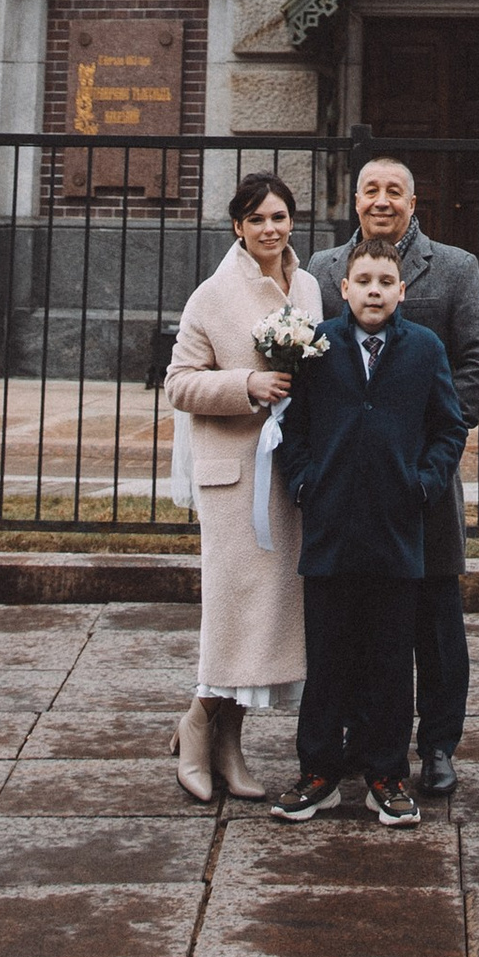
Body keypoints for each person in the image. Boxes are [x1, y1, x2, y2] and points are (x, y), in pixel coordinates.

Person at [309, 153, 479, 798]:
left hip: (421, 484)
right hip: (351, 491)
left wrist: (427, 456)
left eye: (395, 191)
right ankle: (368, 740)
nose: (382, 200)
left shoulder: (455, 268)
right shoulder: (325, 269)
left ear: (413, 204)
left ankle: (440, 744)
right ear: (354, 200)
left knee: (436, 621)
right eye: (371, 190)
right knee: (364, 622)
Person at [272, 242, 465, 826]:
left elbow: (447, 427)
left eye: (386, 280)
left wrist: (425, 484)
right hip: (330, 528)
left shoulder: (424, 349)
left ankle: (386, 773)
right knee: (328, 654)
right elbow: (294, 427)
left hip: (396, 529)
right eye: (364, 280)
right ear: (346, 289)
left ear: (402, 291)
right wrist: (305, 483)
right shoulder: (318, 346)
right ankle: (320, 771)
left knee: (388, 655)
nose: (375, 290)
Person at [162, 171, 321, 804]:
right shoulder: (212, 295)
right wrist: (245, 387)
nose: (269, 229)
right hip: (235, 479)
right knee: (232, 612)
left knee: (272, 616)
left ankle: (231, 743)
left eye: (279, 217)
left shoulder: (307, 285)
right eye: (257, 220)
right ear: (238, 226)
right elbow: (178, 383)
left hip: (291, 475)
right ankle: (197, 727)